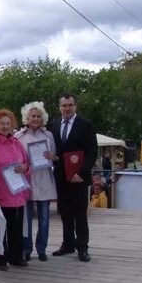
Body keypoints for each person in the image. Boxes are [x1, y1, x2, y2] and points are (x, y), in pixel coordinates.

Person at [50, 93, 98, 262]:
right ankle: (68, 244)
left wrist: (82, 173)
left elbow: (92, 152)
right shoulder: (54, 125)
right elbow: (55, 152)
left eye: (70, 105)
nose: (67, 108)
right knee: (65, 213)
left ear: (75, 106)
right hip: (61, 178)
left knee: (80, 215)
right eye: (64, 105)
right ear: (60, 107)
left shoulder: (86, 125)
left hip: (79, 178)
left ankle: (82, 247)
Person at [0, 109, 30, 270]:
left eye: (8, 123)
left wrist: (24, 167)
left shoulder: (17, 143)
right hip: (1, 194)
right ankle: (0, 259)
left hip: (18, 192)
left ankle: (16, 256)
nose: (6, 127)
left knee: (17, 227)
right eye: (2, 124)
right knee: (1, 228)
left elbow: (27, 165)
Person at [16, 101, 57, 262]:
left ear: (43, 118)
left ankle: (42, 249)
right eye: (33, 115)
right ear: (27, 117)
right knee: (26, 219)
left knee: (44, 218)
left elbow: (54, 157)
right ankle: (27, 249)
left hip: (44, 179)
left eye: (39, 116)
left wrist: (53, 157)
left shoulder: (48, 136)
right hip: (25, 180)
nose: (36, 118)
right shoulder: (18, 136)